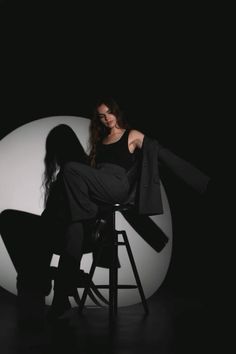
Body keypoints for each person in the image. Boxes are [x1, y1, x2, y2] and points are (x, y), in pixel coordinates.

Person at [0, 97, 210, 324]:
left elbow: (163, 154)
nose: (107, 118)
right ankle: (57, 293)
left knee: (72, 191)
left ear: (117, 112)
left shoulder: (130, 136)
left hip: (109, 197)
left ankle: (50, 276)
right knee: (14, 219)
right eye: (101, 115)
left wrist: (201, 182)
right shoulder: (92, 154)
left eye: (109, 112)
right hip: (74, 220)